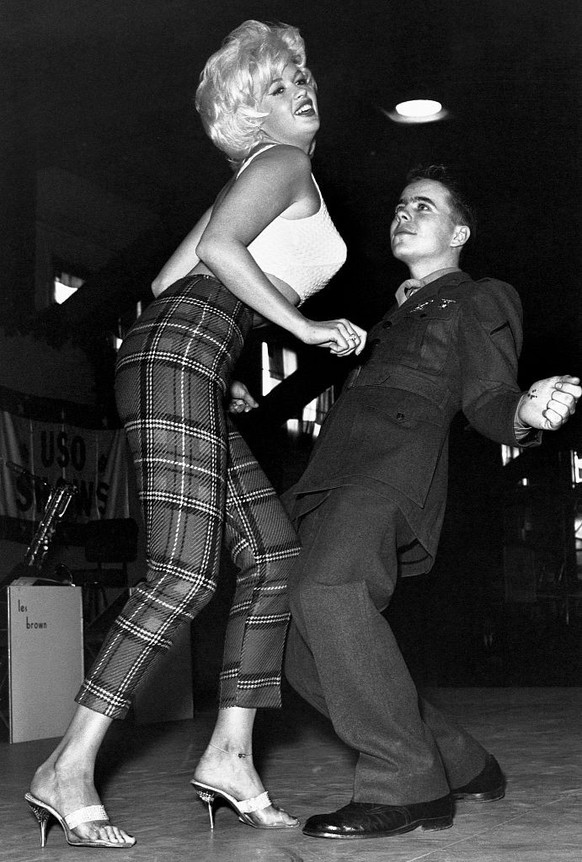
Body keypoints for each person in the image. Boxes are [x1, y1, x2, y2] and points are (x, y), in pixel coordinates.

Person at [26, 20, 366, 848]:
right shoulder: (284, 164)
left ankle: (230, 753)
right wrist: (305, 326)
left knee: (276, 552)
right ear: (254, 115)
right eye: (280, 87)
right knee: (183, 569)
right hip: (182, 354)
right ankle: (67, 765)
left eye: (303, 76)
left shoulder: (261, 174)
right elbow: (217, 250)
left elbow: (172, 278)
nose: (302, 91)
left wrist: (224, 362)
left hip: (185, 354)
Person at [283, 164, 581, 840]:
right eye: (399, 206)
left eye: (424, 206)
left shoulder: (478, 297)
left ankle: (405, 784)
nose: (403, 214)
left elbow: (487, 396)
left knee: (332, 592)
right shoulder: (395, 314)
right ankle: (462, 763)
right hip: (331, 479)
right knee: (300, 653)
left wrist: (526, 411)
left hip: (392, 474)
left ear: (461, 230)